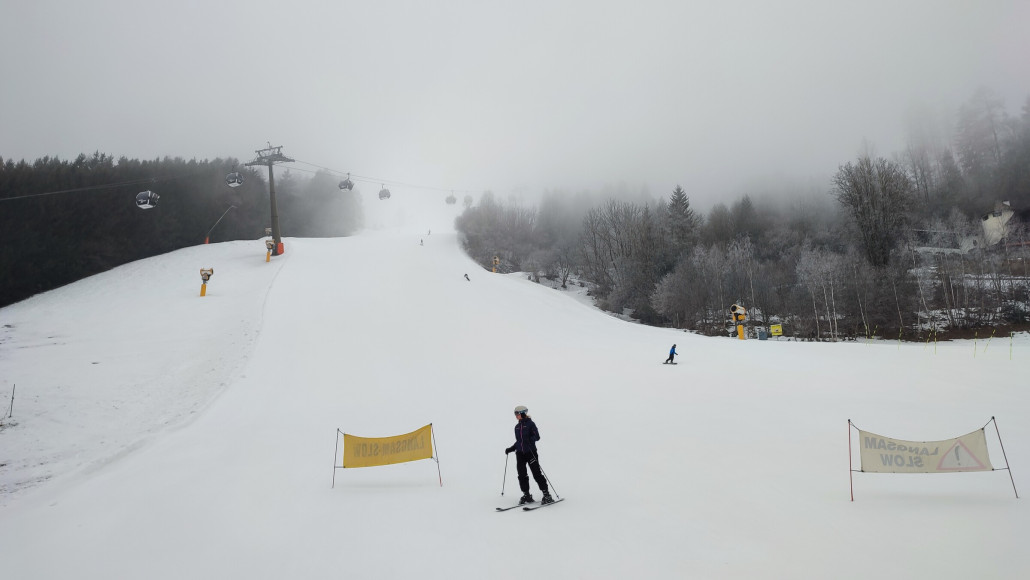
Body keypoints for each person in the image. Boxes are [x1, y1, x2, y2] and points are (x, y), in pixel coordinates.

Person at [505, 405, 553, 505]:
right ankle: (526, 495)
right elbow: (519, 442)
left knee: (536, 473)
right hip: (520, 454)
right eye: (515, 414)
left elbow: (537, 436)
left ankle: (547, 495)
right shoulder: (517, 427)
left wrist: (530, 440)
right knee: (521, 475)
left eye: (517, 413)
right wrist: (511, 448)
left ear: (523, 413)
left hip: (530, 452)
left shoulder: (531, 424)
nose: (516, 415)